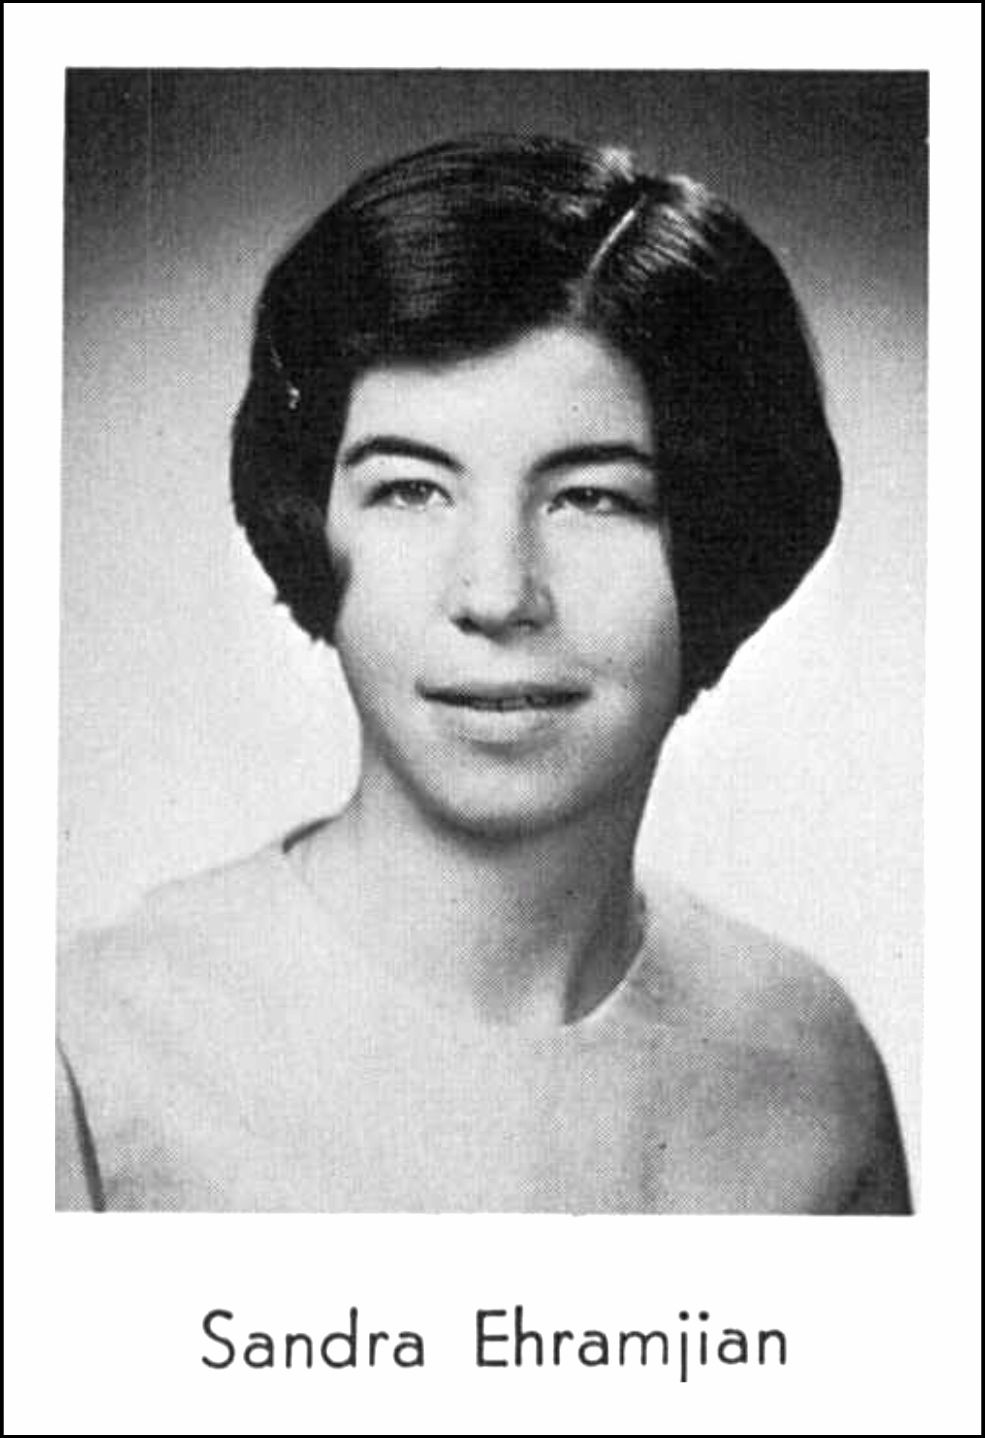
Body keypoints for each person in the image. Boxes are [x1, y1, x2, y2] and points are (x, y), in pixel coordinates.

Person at [56, 134, 912, 1213]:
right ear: (313, 528)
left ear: (717, 546)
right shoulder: (85, 1048)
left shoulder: (815, 1069)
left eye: (591, 496)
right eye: (411, 489)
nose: (497, 594)